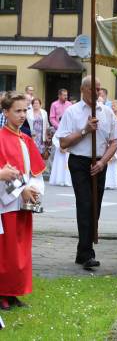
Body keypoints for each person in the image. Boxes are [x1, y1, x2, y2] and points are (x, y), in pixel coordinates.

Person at [56, 76, 117, 270]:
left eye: (99, 89)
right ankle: (87, 254)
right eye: (94, 89)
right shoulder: (72, 112)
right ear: (83, 89)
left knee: (95, 207)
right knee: (84, 204)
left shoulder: (107, 113)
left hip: (99, 162)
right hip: (79, 162)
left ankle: (82, 250)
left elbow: (114, 142)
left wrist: (102, 162)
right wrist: (84, 131)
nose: (97, 92)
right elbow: (64, 142)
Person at [0, 91, 46, 310]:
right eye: (17, 110)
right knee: (6, 249)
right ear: (6, 112)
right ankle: (2, 293)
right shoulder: (0, 138)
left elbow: (35, 171)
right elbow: (3, 173)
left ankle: (15, 291)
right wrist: (21, 191)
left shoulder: (26, 139)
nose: (22, 115)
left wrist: (34, 189)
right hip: (7, 202)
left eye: (25, 110)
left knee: (22, 248)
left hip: (24, 202)